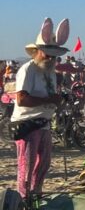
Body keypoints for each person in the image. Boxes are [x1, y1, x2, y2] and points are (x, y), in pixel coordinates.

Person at [12, 18, 69, 200]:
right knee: (26, 167)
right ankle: (24, 201)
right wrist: (48, 99)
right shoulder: (27, 70)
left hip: (44, 123)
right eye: (47, 54)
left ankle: (36, 196)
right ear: (37, 52)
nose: (51, 58)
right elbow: (21, 99)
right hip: (27, 124)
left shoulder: (51, 72)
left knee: (44, 164)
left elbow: (50, 96)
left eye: (54, 56)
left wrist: (57, 101)